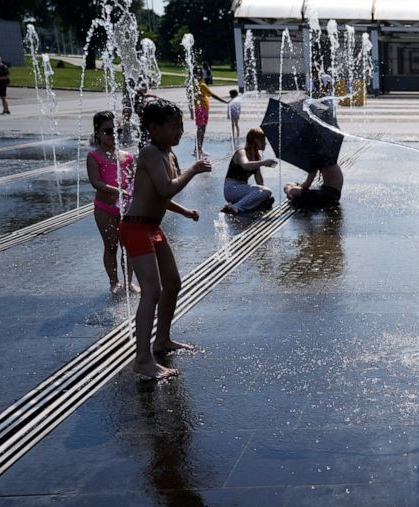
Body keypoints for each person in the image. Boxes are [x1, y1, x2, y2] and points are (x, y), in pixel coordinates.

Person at [120, 98, 210, 379]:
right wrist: (193, 170)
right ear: (154, 128)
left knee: (173, 283)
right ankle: (143, 359)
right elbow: (165, 187)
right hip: (135, 228)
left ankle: (162, 339)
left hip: (152, 227)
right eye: (173, 127)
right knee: (152, 291)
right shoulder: (149, 152)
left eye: (181, 126)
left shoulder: (168, 155)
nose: (180, 131)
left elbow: (158, 195)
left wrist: (183, 211)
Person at [87, 110, 137, 294]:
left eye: (118, 131)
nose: (113, 135)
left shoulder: (128, 156)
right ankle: (114, 281)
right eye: (108, 131)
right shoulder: (94, 156)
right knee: (111, 245)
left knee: (129, 246)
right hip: (105, 209)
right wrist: (118, 191)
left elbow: (134, 180)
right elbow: (96, 182)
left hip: (126, 208)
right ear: (97, 132)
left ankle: (129, 281)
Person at [222, 127, 277, 214]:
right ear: (255, 140)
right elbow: (245, 165)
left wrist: (263, 196)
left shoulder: (256, 156)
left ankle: (236, 206)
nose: (265, 143)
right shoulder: (241, 152)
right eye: (262, 140)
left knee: (266, 193)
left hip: (241, 189)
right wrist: (263, 162)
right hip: (231, 189)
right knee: (267, 191)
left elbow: (259, 180)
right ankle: (236, 207)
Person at [188, 67, 229, 158]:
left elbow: (190, 99)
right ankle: (197, 149)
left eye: (200, 74)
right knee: (201, 129)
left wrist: (191, 111)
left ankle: (198, 148)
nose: (199, 76)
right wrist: (225, 101)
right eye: (197, 74)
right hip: (202, 109)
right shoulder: (202, 85)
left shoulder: (193, 85)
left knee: (201, 129)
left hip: (201, 109)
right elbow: (213, 95)